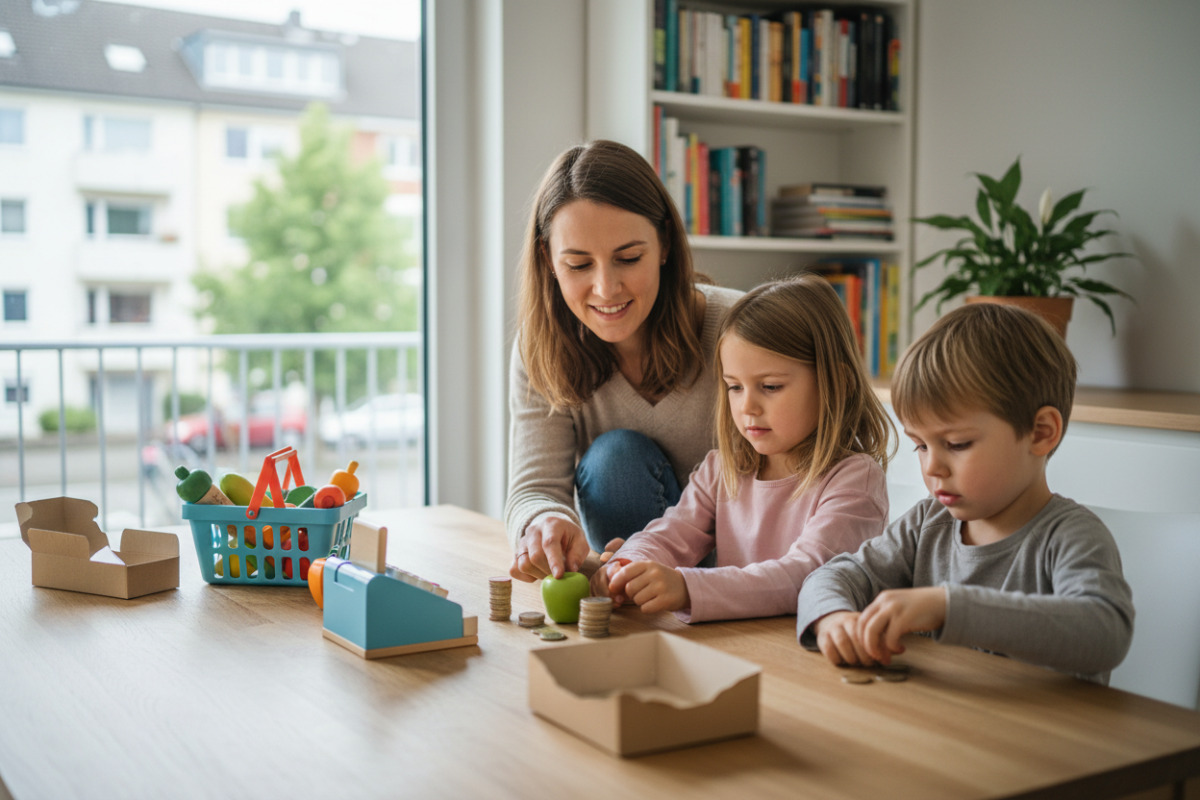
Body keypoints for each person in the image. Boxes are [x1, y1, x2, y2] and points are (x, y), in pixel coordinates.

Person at [797, 303, 1135, 684]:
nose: (932, 467)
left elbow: (1105, 631)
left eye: (957, 444)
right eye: (921, 445)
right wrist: (833, 618)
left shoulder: (1073, 537)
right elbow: (831, 577)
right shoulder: (926, 524)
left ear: (1041, 433)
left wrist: (947, 607)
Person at [590, 275, 894, 622]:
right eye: (734, 387)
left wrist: (688, 588)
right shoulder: (722, 469)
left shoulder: (855, 480)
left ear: (836, 383)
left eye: (770, 386)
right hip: (737, 643)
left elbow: (808, 574)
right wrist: (627, 563)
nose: (747, 406)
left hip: (810, 649)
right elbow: (670, 534)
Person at [506, 140, 743, 583]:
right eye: (579, 265)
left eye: (629, 258)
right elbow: (535, 489)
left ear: (665, 242)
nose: (606, 288)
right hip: (639, 571)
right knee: (614, 461)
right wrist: (543, 522)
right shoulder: (542, 349)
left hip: (748, 563)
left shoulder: (740, 327)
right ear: (548, 260)